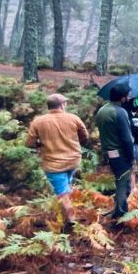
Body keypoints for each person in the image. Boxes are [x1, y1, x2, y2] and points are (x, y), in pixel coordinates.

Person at [26, 94, 89, 230]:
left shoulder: (38, 121)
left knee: (62, 193)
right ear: (62, 105)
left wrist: (41, 144)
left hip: (53, 164)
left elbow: (29, 143)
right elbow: (85, 136)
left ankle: (71, 221)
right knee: (66, 187)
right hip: (73, 160)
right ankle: (69, 213)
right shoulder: (73, 118)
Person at [95, 84, 135, 221]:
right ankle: (120, 215)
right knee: (123, 183)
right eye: (128, 95)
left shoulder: (102, 110)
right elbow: (127, 138)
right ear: (122, 98)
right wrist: (131, 157)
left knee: (120, 180)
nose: (129, 97)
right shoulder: (120, 112)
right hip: (120, 153)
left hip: (108, 152)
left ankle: (119, 209)